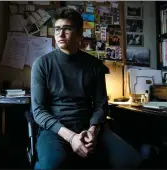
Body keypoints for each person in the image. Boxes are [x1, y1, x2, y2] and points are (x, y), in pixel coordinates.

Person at [31, 7, 143, 169]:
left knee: (129, 160)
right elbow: (38, 111)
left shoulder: (94, 65)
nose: (60, 34)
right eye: (57, 29)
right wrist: (71, 138)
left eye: (67, 29)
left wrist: (93, 130)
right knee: (54, 164)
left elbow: (101, 104)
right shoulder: (41, 64)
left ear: (79, 34)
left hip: (88, 127)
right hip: (56, 129)